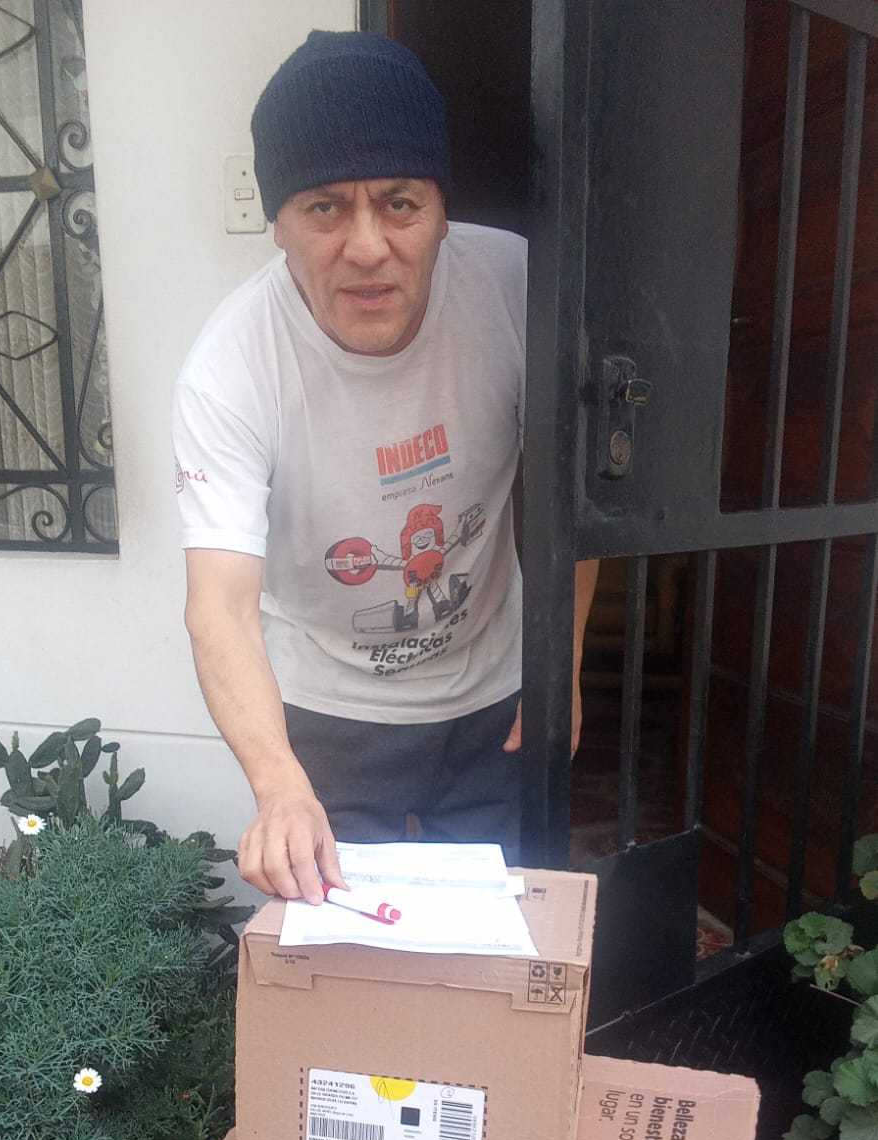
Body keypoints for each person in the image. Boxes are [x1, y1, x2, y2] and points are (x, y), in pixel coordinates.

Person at [174, 29, 597, 904]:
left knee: (493, 939)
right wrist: (279, 786)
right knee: (344, 950)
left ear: (442, 208)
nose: (367, 247)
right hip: (326, 708)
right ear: (278, 222)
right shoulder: (230, 367)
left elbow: (579, 493)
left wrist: (562, 663)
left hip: (494, 693)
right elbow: (220, 605)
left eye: (399, 202)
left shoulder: (522, 289)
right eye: (325, 207)